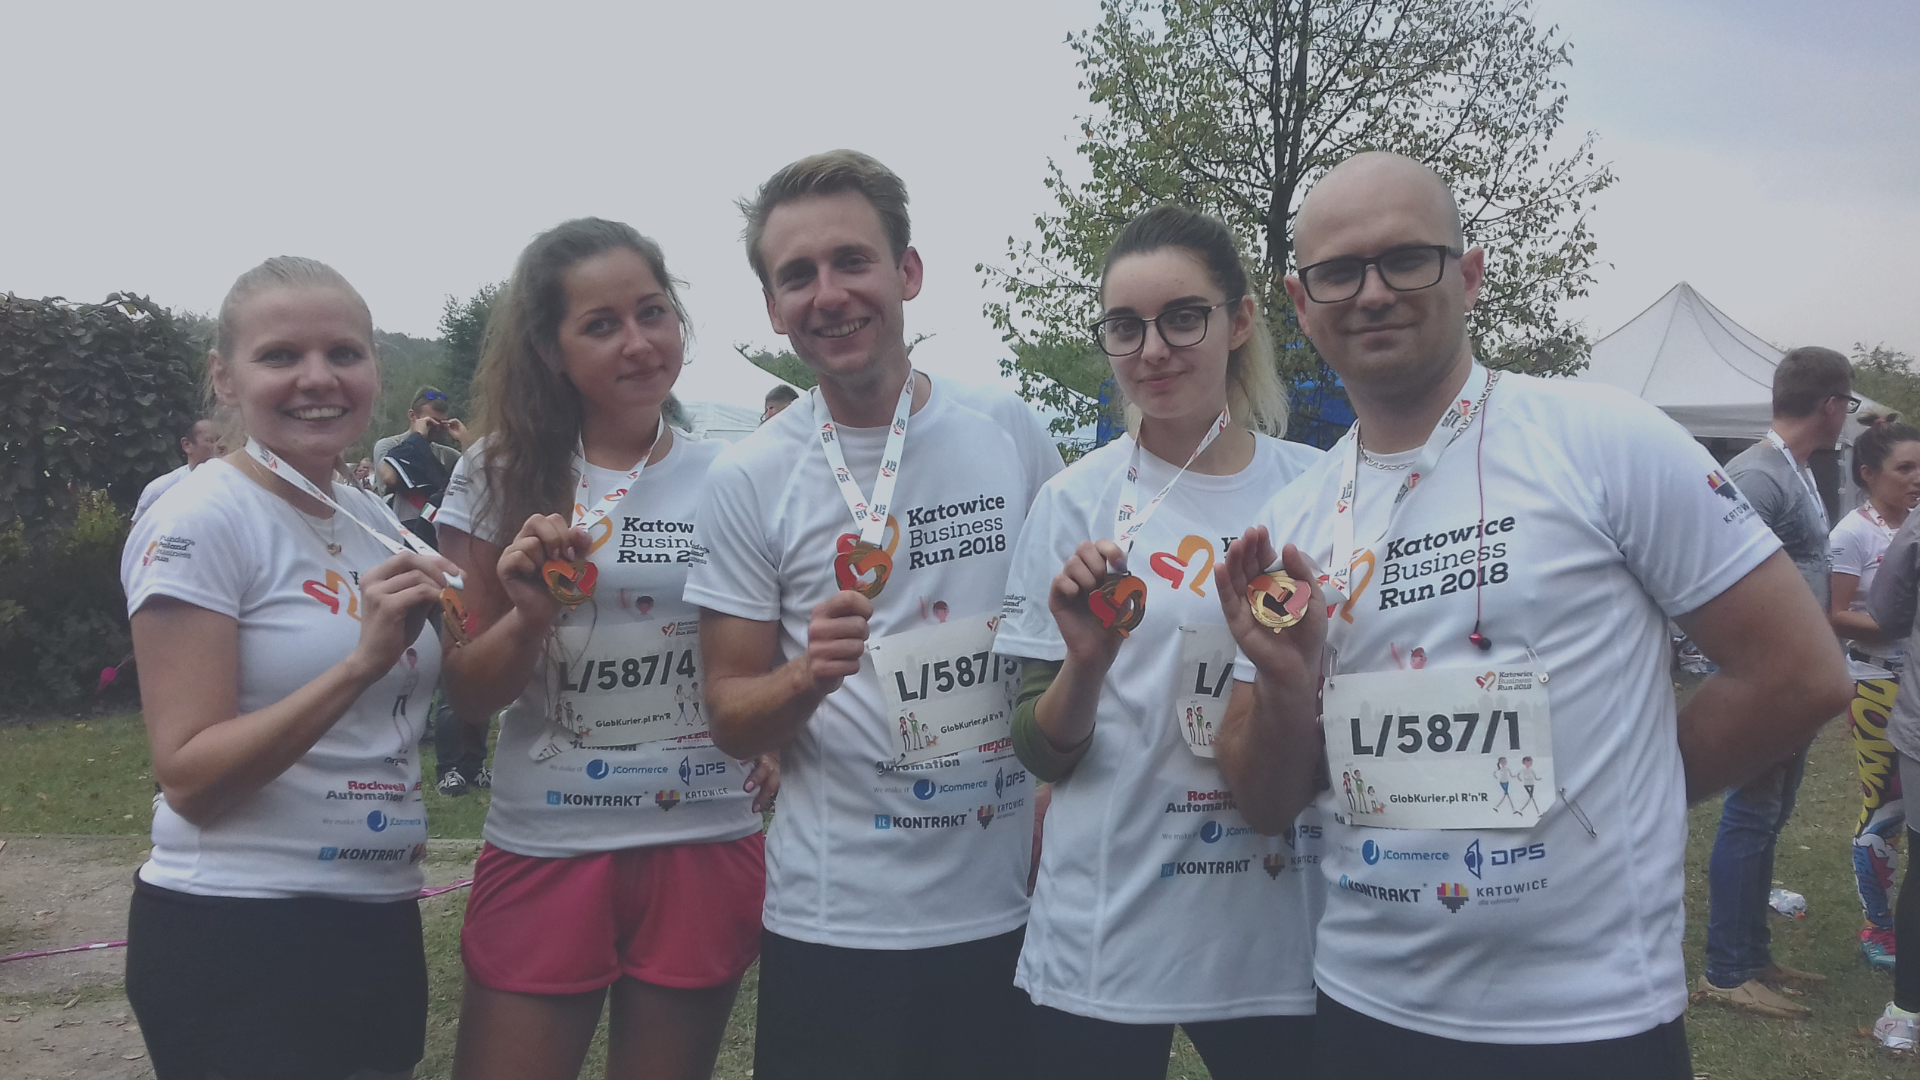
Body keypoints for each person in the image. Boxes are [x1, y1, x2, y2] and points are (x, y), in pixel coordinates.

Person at [1210, 152, 1849, 1077]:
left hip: (1586, 1020)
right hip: (1363, 1005)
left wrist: (1631, 786)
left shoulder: (1604, 438)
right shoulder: (1294, 522)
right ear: (1301, 303)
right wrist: (1281, 681)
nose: (1373, 292)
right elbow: (1266, 803)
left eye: (1407, 259)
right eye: (1339, 272)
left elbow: (1798, 673)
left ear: (1469, 274)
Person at [688, 149, 1063, 1079]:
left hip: (1007, 906)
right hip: (836, 920)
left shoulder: (1008, 429)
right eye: (797, 275)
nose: (829, 294)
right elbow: (730, 717)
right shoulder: (748, 476)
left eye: (852, 260)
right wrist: (804, 677)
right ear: (773, 307)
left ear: (908, 272)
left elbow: (1061, 642)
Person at [434, 218, 777, 1080]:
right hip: (552, 836)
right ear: (550, 350)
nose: (639, 342)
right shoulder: (494, 472)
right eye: (601, 324)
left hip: (701, 830)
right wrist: (528, 619)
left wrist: (773, 731)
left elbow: (753, 657)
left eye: (652, 312)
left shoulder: (737, 474)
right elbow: (468, 692)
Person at [993, 205, 1324, 1080]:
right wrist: (1086, 664)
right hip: (1110, 926)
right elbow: (1039, 749)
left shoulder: (1314, 490)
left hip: (1274, 924)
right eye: (1125, 326)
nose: (1152, 350)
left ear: (1239, 320)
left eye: (1183, 318)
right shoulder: (1073, 500)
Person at [119, 256, 465, 1079]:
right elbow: (189, 777)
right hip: (240, 927)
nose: (318, 378)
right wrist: (358, 666)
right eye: (280, 356)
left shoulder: (370, 516)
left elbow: (463, 686)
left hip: (376, 915)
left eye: (344, 353)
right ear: (225, 378)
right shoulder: (202, 517)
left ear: (374, 371)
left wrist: (526, 602)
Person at [1700, 345, 1857, 1015]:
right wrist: (1762, 677)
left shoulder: (1792, 469)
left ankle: (1752, 954)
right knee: (1751, 814)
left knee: (1768, 816)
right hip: (1771, 678)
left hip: (1794, 677)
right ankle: (1727, 971)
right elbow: (1721, 578)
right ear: (1831, 405)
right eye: (1848, 404)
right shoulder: (1758, 474)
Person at [1830, 416, 1920, 972]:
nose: (1916, 478)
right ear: (1868, 473)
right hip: (1876, 682)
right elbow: (1832, 613)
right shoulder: (1852, 534)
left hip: (1914, 680)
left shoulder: (1914, 523)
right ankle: (1878, 925)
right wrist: (1893, 624)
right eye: (1904, 468)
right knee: (1886, 806)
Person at [132, 416, 223, 523]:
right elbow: (139, 531)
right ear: (187, 445)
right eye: (211, 441)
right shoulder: (160, 490)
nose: (220, 447)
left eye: (222, 441)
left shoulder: (232, 487)